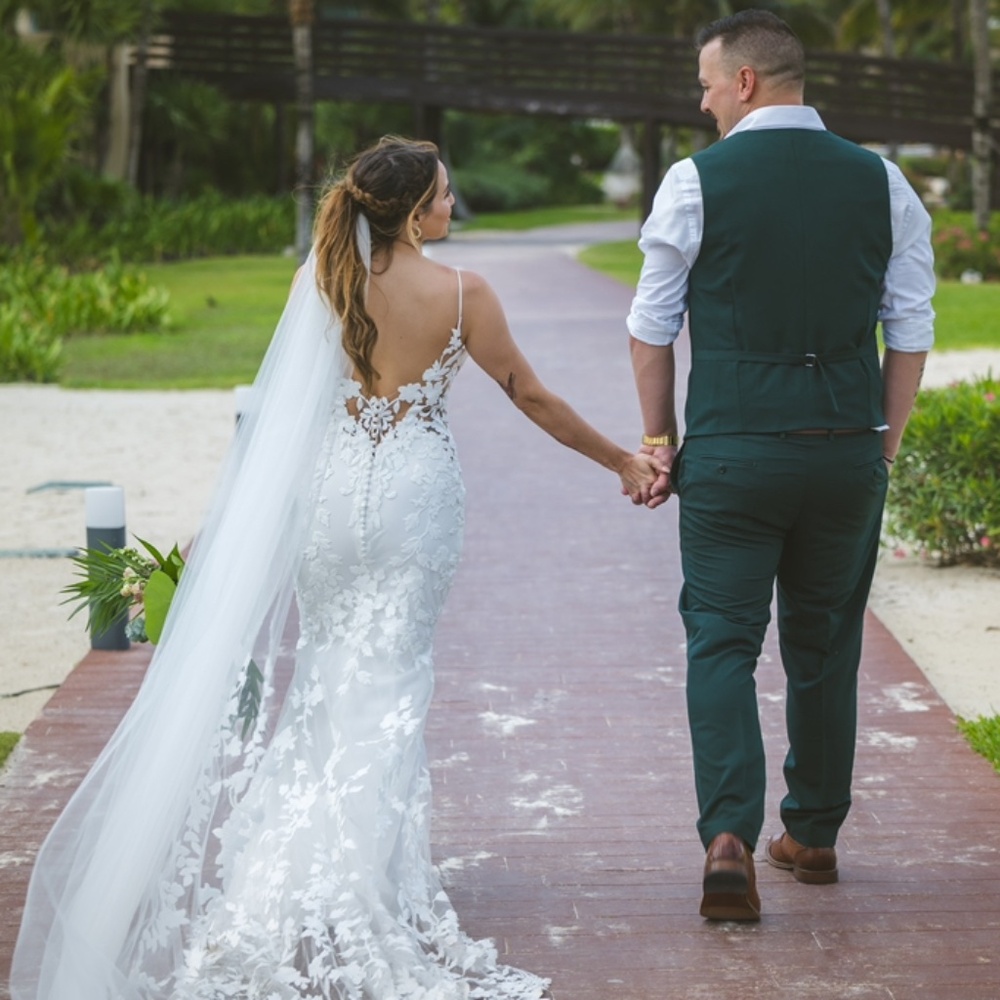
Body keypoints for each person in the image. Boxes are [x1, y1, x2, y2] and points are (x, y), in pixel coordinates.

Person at [12, 136, 660, 999]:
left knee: (324, 677)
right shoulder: (464, 294)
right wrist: (622, 460)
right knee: (391, 682)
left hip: (330, 497)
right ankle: (363, 876)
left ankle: (297, 867)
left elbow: (290, 410)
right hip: (412, 500)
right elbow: (531, 397)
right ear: (410, 209)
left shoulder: (326, 277)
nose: (452, 204)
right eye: (442, 193)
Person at [626, 10, 934, 922]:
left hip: (730, 451)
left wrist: (660, 442)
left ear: (748, 83)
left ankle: (728, 837)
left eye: (709, 83)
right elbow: (909, 328)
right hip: (843, 449)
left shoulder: (695, 180)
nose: (704, 98)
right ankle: (813, 834)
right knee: (827, 644)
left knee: (721, 640)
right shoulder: (883, 181)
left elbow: (651, 325)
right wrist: (881, 442)